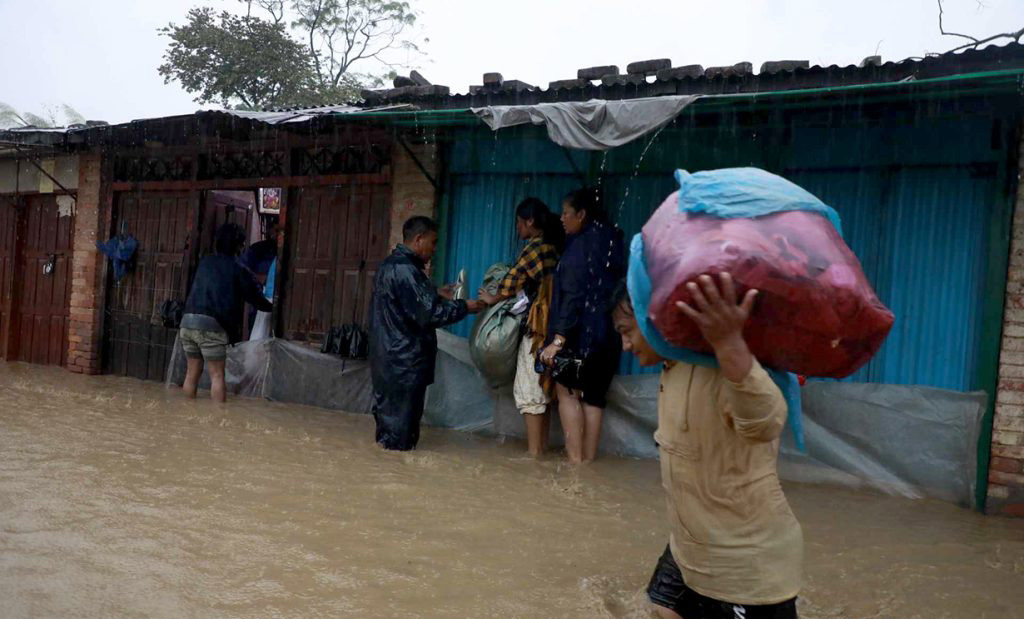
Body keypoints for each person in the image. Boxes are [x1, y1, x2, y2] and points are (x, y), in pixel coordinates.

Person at [612, 274, 803, 619]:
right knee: (660, 608)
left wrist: (730, 344)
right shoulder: (672, 368)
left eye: (627, 331)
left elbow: (766, 421)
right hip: (690, 546)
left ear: (652, 320)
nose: (625, 345)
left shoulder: (719, 366)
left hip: (744, 565)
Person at [369, 216, 483, 451]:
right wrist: (465, 307)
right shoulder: (406, 270)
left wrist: (437, 293)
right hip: (404, 363)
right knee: (400, 438)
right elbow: (431, 314)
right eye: (433, 243)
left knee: (389, 431)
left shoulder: (391, 265)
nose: (434, 249)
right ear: (418, 239)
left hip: (390, 360)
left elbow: (407, 304)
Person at [539, 188, 625, 463]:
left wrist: (558, 339)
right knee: (594, 398)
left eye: (566, 213)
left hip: (579, 337)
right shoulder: (612, 241)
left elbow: (573, 296)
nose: (561, 219)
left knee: (567, 394)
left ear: (582, 214)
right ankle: (588, 463)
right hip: (608, 335)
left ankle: (574, 463)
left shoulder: (578, 248)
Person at [478, 198, 563, 456]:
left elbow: (511, 280)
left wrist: (492, 298)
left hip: (538, 327)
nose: (516, 228)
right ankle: (542, 450)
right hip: (555, 327)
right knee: (543, 391)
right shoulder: (555, 246)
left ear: (530, 222)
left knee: (529, 389)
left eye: (518, 222)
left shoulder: (536, 247)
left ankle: (534, 456)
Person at [180, 223, 273, 402]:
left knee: (192, 373)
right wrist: (272, 307)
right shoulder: (237, 269)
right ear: (239, 246)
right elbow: (255, 298)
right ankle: (219, 420)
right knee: (217, 375)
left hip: (188, 322)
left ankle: (186, 413)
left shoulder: (205, 262)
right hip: (211, 326)